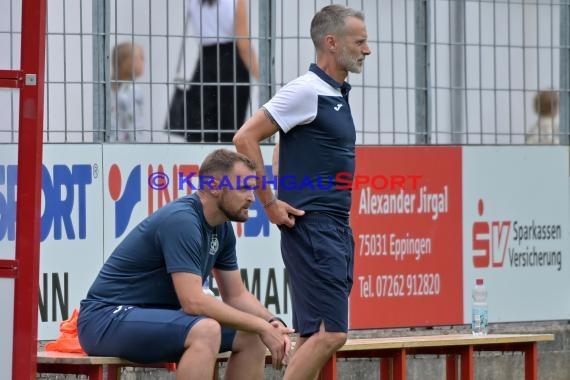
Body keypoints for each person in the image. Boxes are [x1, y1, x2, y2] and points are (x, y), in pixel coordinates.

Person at [233, 4, 370, 378]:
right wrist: (270, 203)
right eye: (360, 42)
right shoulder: (306, 90)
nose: (367, 50)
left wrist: (283, 189)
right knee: (331, 334)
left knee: (315, 335)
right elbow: (245, 137)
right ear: (331, 42)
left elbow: (282, 144)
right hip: (316, 229)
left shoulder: (334, 93)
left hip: (334, 227)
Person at [77, 149, 293, 379]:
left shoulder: (222, 228)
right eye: (243, 187)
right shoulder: (182, 220)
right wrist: (260, 325)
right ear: (213, 186)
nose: (251, 197)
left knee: (251, 335)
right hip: (105, 319)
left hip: (148, 318)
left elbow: (236, 296)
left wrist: (271, 322)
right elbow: (193, 302)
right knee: (206, 330)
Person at [168, 0, 259, 143]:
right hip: (232, 66)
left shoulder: (195, 2)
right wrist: (261, 74)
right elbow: (243, 44)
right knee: (231, 129)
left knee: (202, 129)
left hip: (204, 65)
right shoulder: (236, 2)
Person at [109, 41, 147, 142]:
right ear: (126, 62)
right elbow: (134, 124)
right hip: (129, 149)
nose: (144, 61)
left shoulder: (111, 88)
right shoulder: (133, 90)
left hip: (112, 146)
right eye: (141, 57)